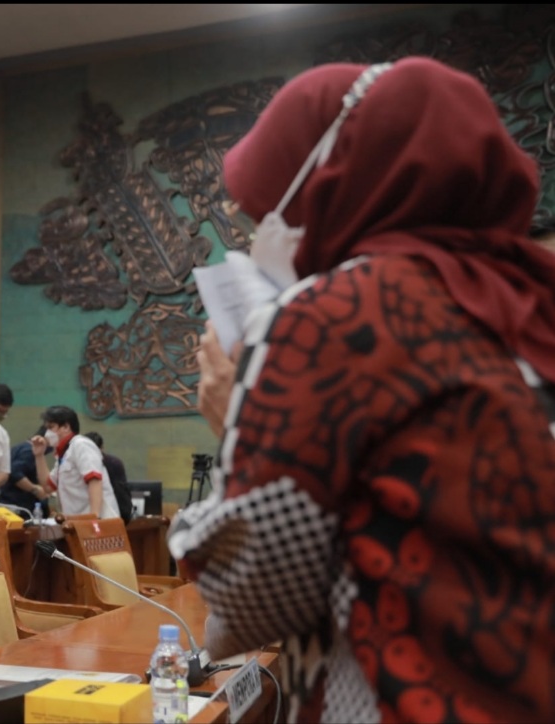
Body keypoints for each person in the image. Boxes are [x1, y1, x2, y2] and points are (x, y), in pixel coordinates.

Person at [168, 58, 555, 723]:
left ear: (329, 179)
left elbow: (247, 603)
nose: (255, 228)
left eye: (264, 209)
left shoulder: (332, 317)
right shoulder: (531, 306)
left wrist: (239, 426)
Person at [31, 405, 121, 519]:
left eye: (51, 427)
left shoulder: (81, 445)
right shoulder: (63, 455)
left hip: (98, 522)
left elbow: (94, 481)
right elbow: (48, 486)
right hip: (77, 523)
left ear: (66, 427)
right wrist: (39, 455)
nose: (47, 433)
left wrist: (93, 518)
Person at [1, 426, 52, 517]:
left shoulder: (20, 447)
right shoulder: (29, 451)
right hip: (19, 505)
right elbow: (14, 472)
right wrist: (35, 489)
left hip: (8, 500)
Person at [84, 431, 133, 523]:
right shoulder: (112, 461)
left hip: (111, 512)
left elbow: (120, 492)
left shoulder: (112, 463)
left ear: (102, 448)